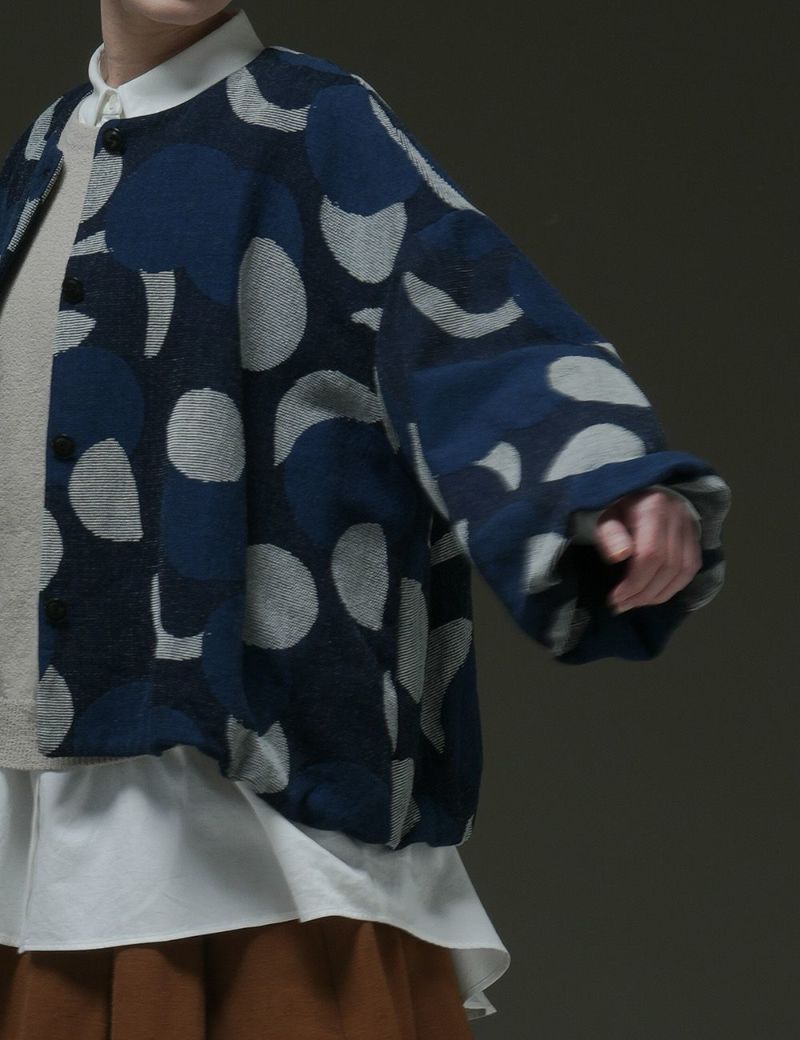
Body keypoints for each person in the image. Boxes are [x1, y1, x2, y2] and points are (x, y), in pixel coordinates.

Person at [0, 2, 731, 1037]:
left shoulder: (317, 122)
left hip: (242, 794)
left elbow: (469, 320)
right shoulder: (40, 152)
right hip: (33, 813)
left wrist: (607, 480)